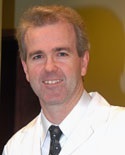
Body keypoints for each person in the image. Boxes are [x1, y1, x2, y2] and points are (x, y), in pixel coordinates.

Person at [2, 5, 125, 155]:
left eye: (61, 54)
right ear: (25, 68)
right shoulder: (15, 148)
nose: (49, 67)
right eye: (38, 56)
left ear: (83, 62)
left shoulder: (120, 130)